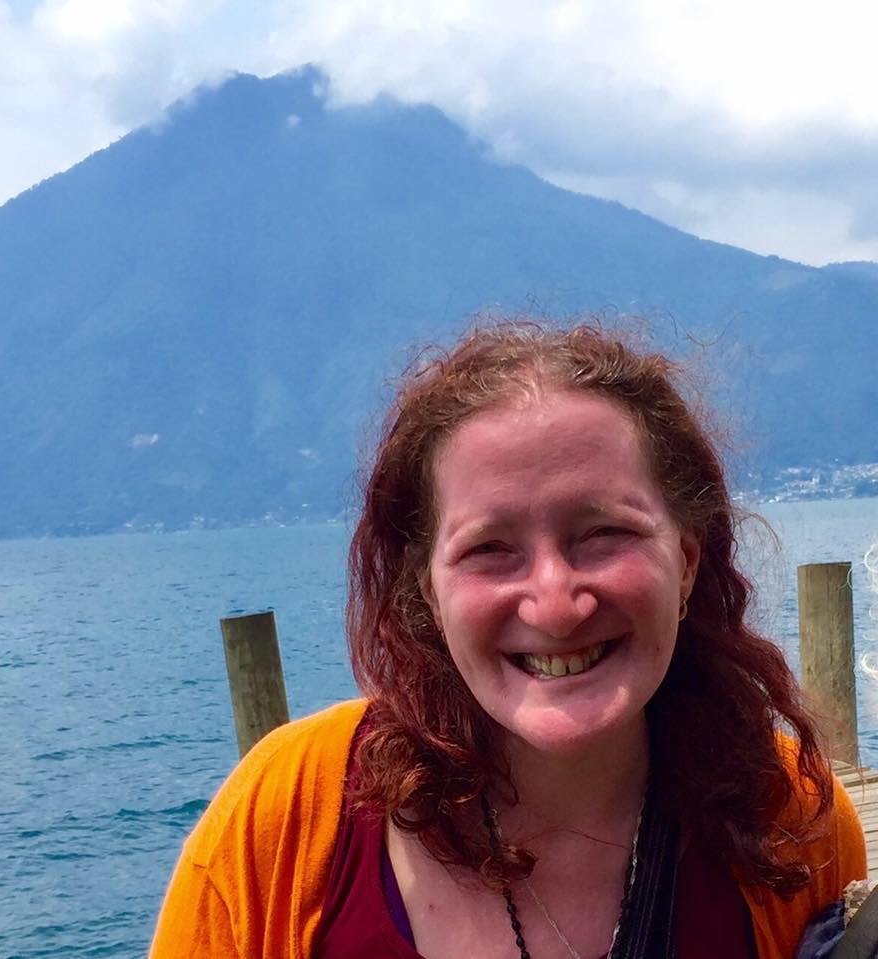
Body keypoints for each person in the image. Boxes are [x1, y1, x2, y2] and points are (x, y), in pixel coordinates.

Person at [150, 322, 866, 959]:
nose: (556, 605)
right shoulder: (282, 822)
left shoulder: (788, 818)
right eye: (490, 548)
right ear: (429, 593)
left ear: (685, 562)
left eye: (604, 532)